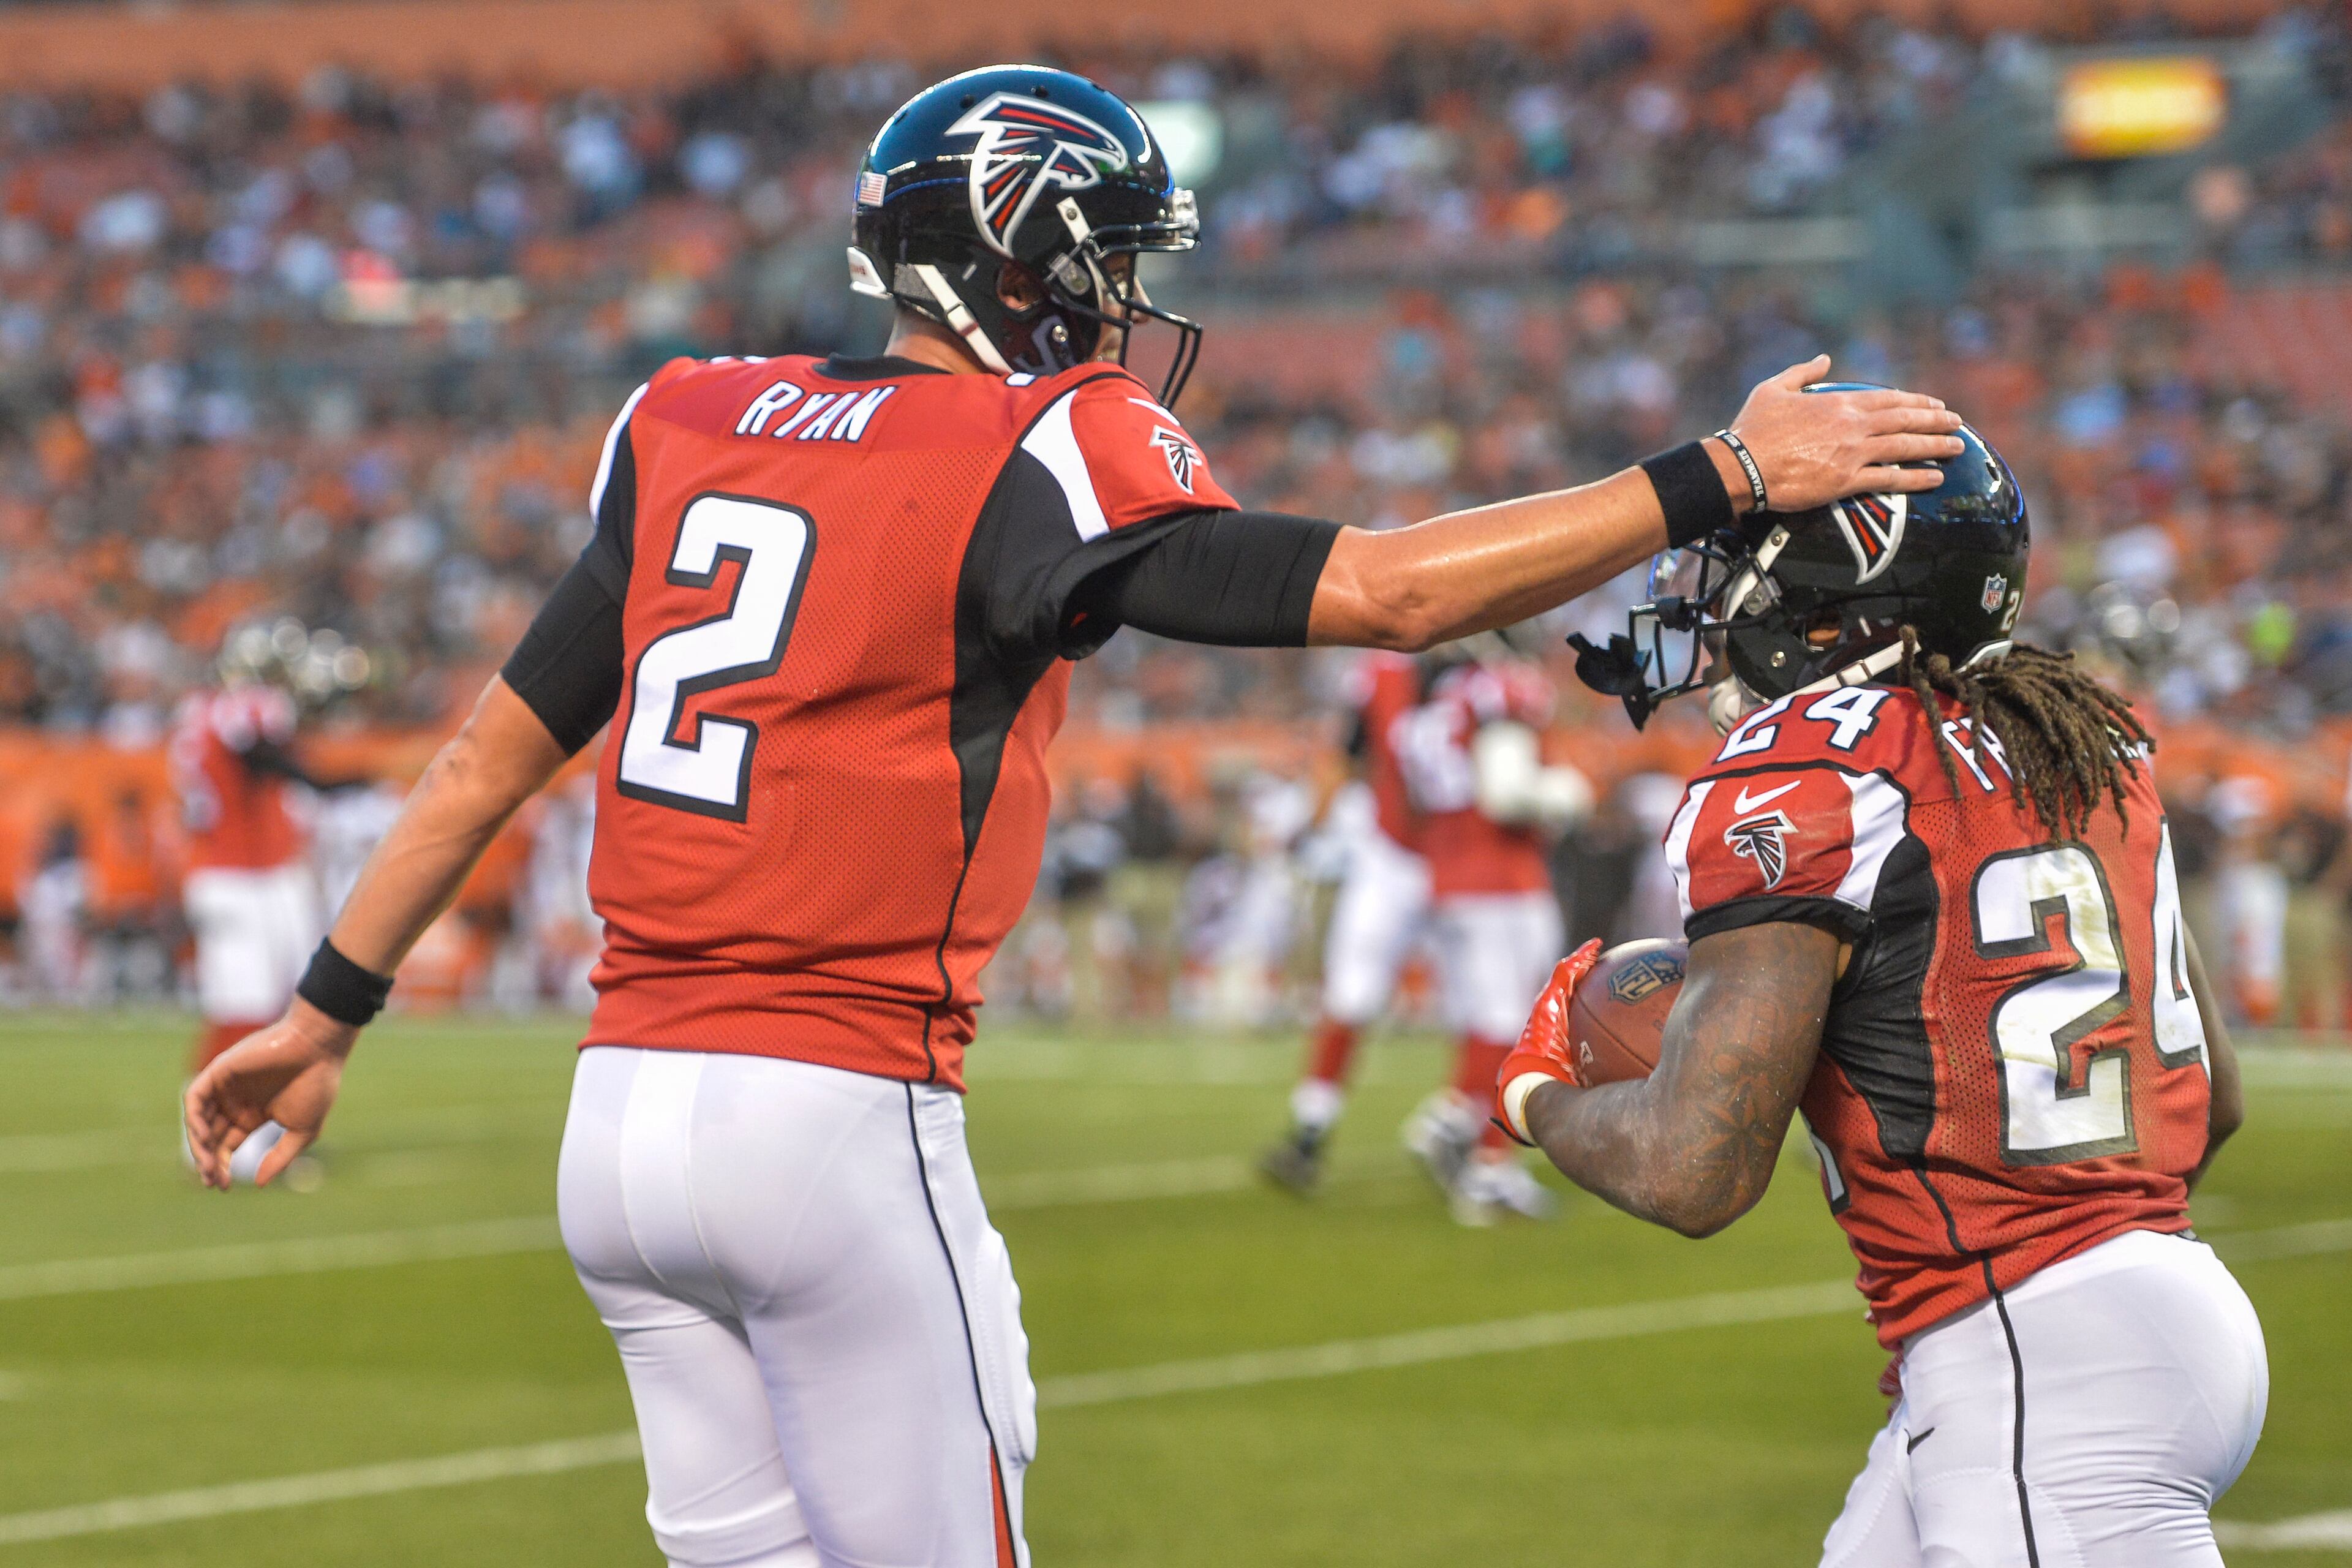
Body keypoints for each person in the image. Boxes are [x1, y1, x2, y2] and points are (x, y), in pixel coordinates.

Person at [186, 65, 1960, 1568]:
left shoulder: (688, 418)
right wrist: (1715, 476)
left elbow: (488, 760)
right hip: (831, 1120)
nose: (1119, 307)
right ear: (1013, 258)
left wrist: (322, 1013)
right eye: (1101, 262)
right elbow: (1398, 594)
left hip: (621, 1119)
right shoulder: (1035, 446)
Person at [1499, 421, 2265, 1567]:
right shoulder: (2078, 737)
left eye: (1745, 566)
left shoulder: (1809, 769)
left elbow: (1691, 1168)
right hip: (2143, 1306)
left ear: (1836, 587)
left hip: (2042, 1357)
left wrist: (1538, 1095)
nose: (1714, 604)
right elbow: (2216, 1099)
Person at [1395, 640, 1589, 1223]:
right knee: (1517, 1027)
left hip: (1447, 877)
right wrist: (1566, 793)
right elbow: (1506, 793)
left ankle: (1485, 1161)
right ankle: (1458, 1127)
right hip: (1502, 880)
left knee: (1485, 1024)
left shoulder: (1432, 703)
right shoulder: (1497, 687)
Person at [1261, 649, 1432, 1193]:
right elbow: (1345, 754)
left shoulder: (1395, 675)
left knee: (1494, 1003)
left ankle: (1469, 1133)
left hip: (1452, 857)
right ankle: (1311, 1129)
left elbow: (1341, 759)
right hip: (1400, 853)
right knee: (1351, 993)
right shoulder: (1382, 676)